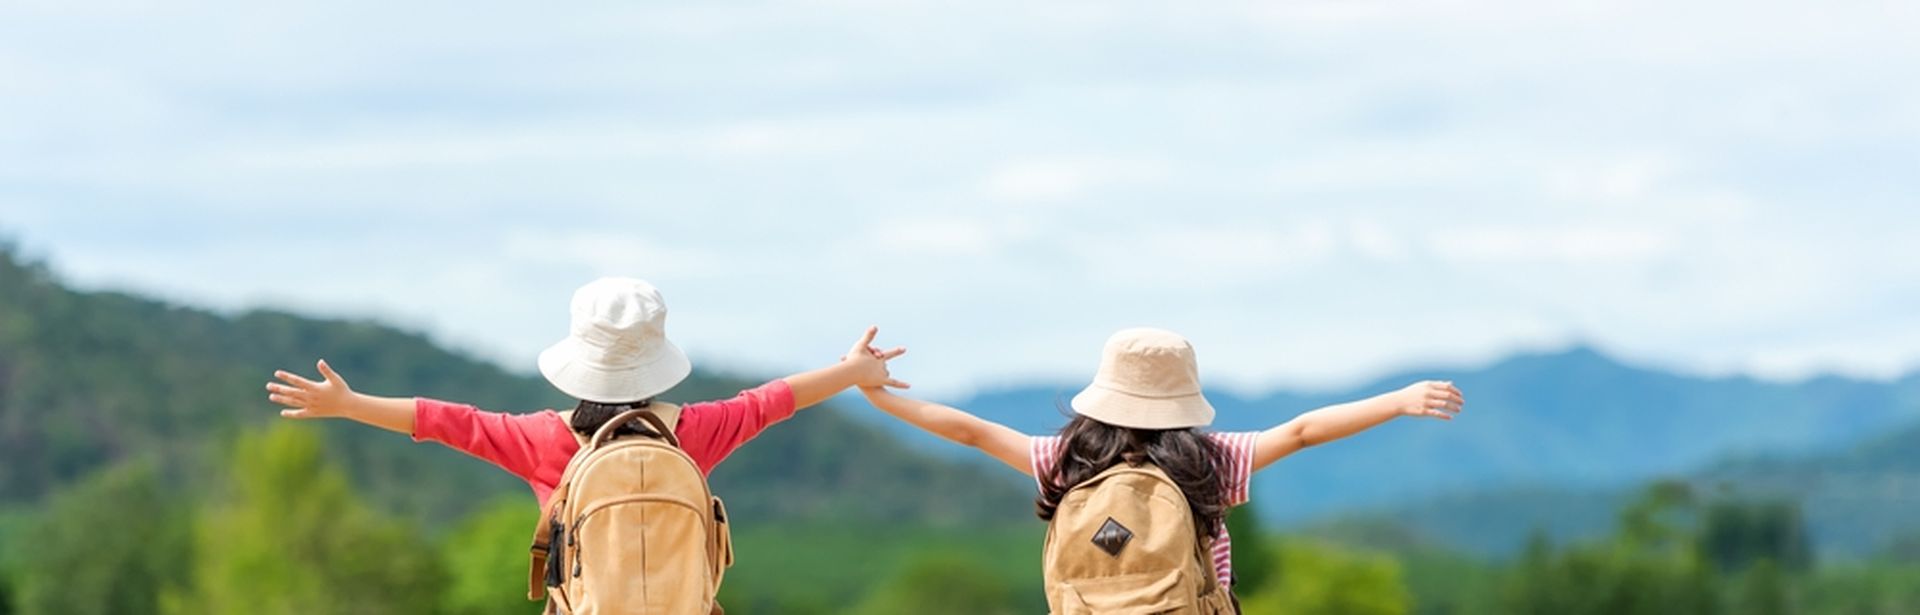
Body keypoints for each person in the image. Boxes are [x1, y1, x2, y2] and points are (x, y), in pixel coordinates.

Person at [858, 327, 1462, 609]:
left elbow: (969, 431)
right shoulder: (1209, 461)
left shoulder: (1065, 460)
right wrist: (1397, 401)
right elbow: (1302, 432)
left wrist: (878, 394)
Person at [263, 276, 909, 510]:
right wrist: (854, 370)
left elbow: (444, 420)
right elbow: (772, 399)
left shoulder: (544, 440)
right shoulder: (693, 433)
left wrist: (347, 403)